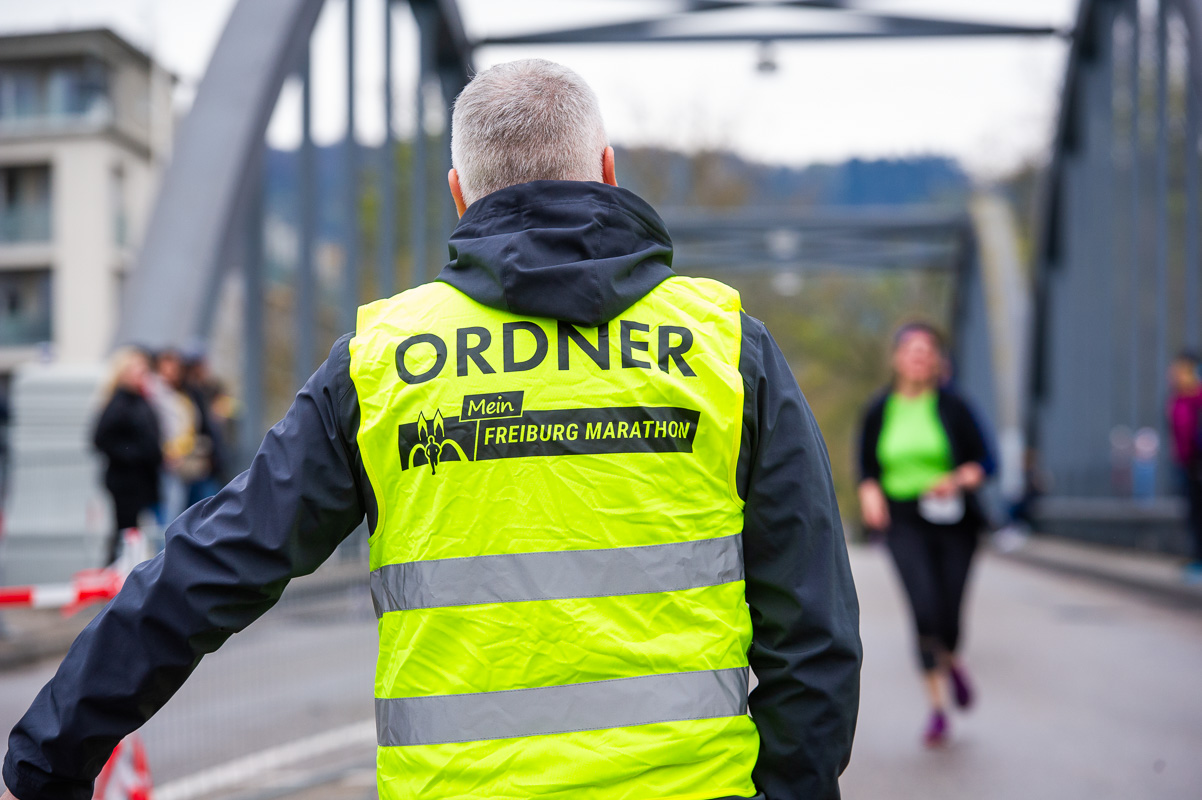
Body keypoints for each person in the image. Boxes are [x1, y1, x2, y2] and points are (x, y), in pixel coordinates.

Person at [2, 59, 861, 800]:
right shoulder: (723, 347)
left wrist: (47, 759)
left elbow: (208, 568)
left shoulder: (383, 362)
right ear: (606, 169)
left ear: (458, 194)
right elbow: (813, 629)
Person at [857, 321, 991, 747]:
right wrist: (870, 493)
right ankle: (937, 709)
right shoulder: (880, 408)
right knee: (924, 609)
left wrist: (957, 479)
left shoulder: (955, 406)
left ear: (937, 361)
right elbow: (866, 466)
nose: (919, 357)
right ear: (897, 358)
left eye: (927, 350)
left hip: (955, 520)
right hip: (904, 520)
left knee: (949, 617)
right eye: (911, 350)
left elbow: (985, 462)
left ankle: (952, 660)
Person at [91, 347, 162, 565]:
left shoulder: (139, 400)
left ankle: (123, 571)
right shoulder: (119, 404)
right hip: (126, 481)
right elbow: (100, 439)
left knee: (133, 533)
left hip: (141, 480)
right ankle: (114, 573)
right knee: (125, 531)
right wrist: (134, 454)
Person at [1166, 350, 1202, 582]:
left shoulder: (1197, 398)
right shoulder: (1176, 399)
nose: (1174, 374)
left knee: (1199, 511)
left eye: (1179, 370)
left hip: (1199, 461)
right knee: (1193, 511)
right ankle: (1197, 558)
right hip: (1185, 464)